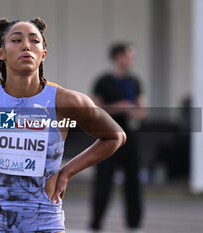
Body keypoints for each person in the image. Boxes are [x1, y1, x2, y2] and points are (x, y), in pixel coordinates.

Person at [0, 17, 126, 232]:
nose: (26, 45)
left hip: (46, 222)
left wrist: (68, 172)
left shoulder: (66, 101)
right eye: (16, 40)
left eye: (34, 41)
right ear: (1, 53)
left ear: (43, 54)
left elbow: (115, 136)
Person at [89, 42, 146, 232]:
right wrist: (117, 107)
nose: (131, 59)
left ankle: (134, 224)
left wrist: (132, 110)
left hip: (130, 138)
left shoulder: (134, 82)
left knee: (133, 182)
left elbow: (141, 111)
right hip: (108, 136)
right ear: (118, 57)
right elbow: (94, 109)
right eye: (128, 55)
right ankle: (96, 223)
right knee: (103, 181)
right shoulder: (103, 81)